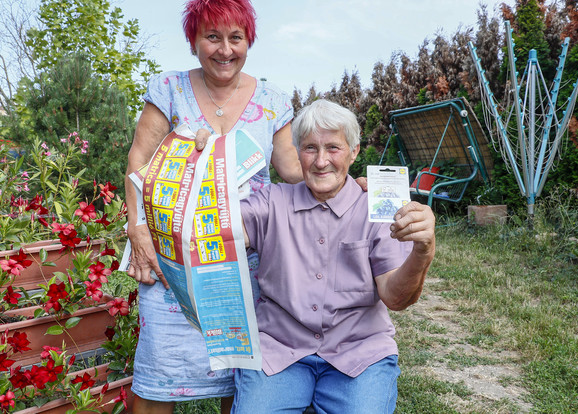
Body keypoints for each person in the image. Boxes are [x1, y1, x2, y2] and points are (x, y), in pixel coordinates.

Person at [123, 1, 302, 413]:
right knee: (157, 377)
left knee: (240, 384)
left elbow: (292, 169)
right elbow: (139, 161)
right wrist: (137, 227)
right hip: (172, 263)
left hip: (245, 265)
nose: (225, 49)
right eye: (212, 37)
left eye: (235, 38)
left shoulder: (272, 99)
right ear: (194, 41)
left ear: (248, 41)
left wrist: (348, 180)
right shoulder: (168, 89)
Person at [234, 99, 436, 413]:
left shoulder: (377, 208)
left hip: (358, 353)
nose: (321, 161)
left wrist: (423, 250)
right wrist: (204, 166)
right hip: (280, 350)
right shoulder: (272, 201)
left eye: (333, 148)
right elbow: (217, 232)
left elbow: (396, 298)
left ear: (354, 151)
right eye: (310, 148)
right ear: (297, 151)